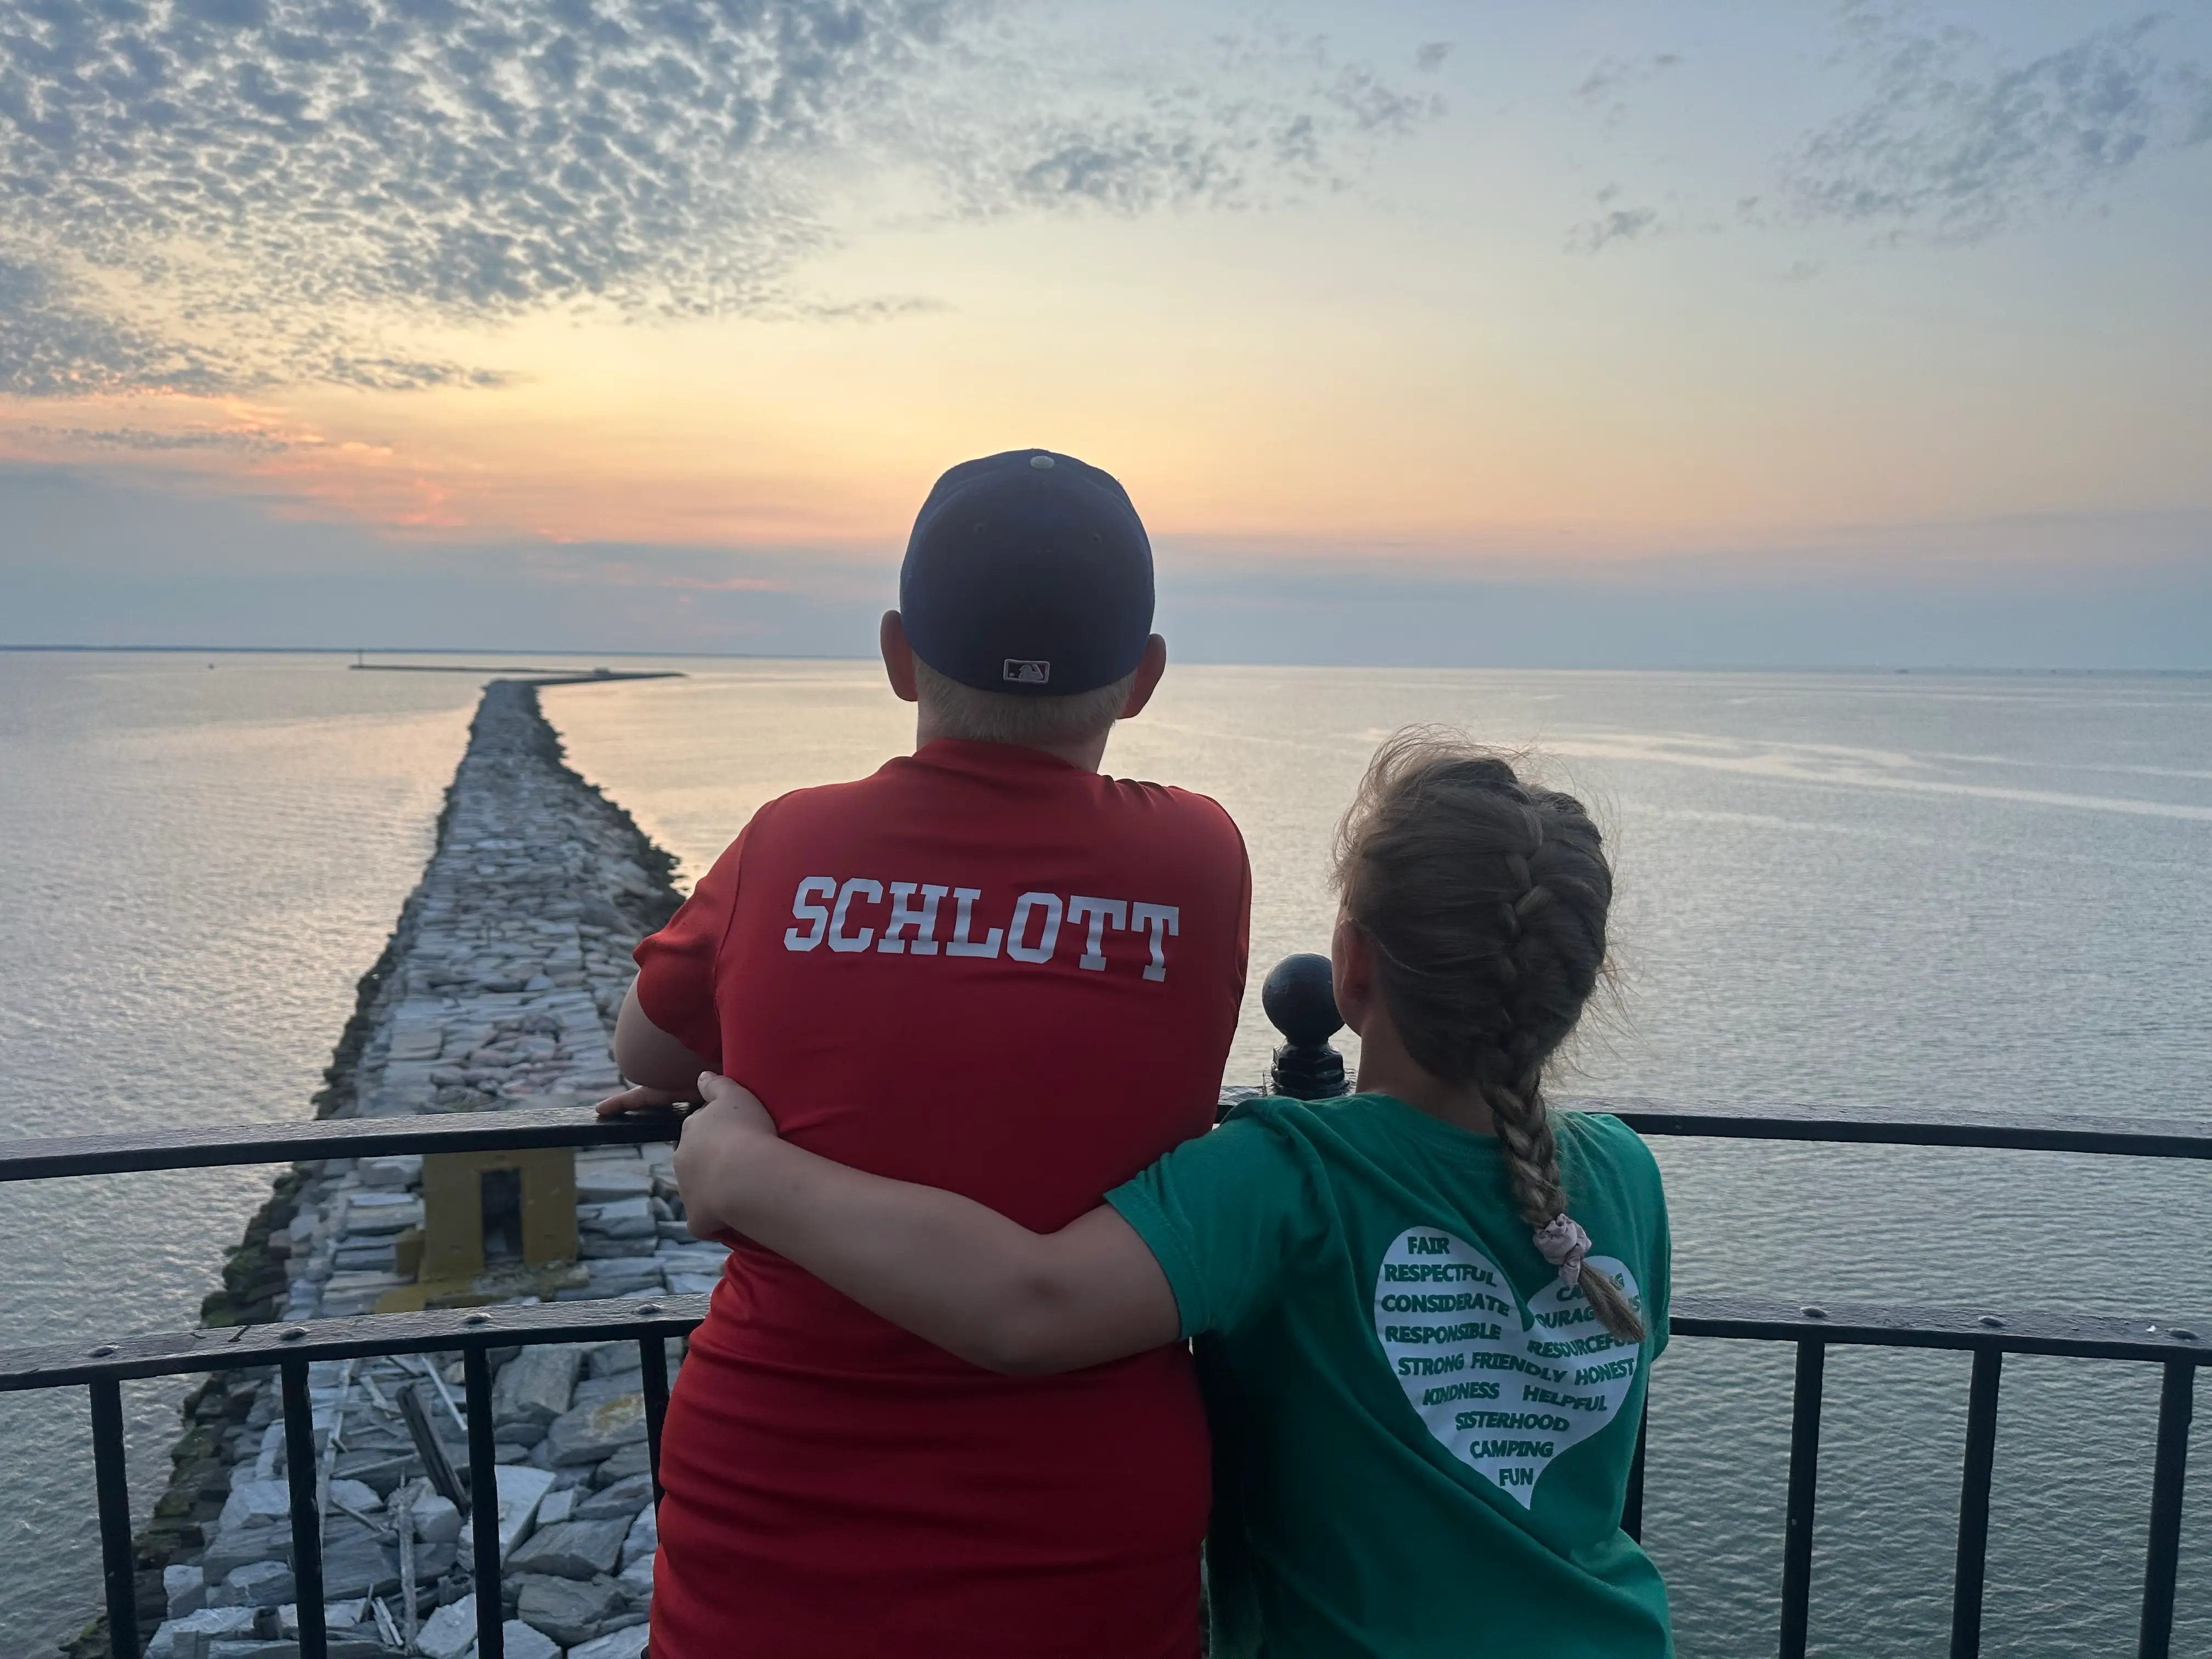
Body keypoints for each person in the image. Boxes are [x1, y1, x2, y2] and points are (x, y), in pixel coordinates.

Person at [670, 732, 1674, 1658]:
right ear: (1572, 988)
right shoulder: (1625, 1176)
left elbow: (1027, 1305)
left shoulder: (1291, 1175)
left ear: (1353, 966)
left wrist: (742, 1170)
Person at [598, 450, 1252, 1658]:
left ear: (899, 656)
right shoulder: (1201, 857)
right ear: (1143, 680)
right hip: (1082, 1528)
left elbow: (647, 1044)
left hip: (770, 1514)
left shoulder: (788, 841)